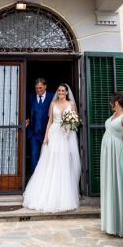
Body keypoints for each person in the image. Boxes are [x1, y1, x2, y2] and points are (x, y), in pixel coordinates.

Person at [23, 83, 81, 212]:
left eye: (63, 91)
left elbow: (75, 120)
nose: (60, 92)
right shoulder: (53, 104)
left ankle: (63, 194)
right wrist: (46, 137)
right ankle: (47, 192)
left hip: (66, 136)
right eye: (59, 90)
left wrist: (69, 128)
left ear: (66, 92)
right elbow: (50, 121)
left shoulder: (71, 104)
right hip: (54, 133)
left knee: (64, 162)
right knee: (50, 161)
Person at [100, 92, 123, 237]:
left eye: (111, 101)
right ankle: (111, 223)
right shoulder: (113, 116)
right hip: (108, 154)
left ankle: (121, 224)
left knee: (118, 182)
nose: (110, 103)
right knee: (109, 183)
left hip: (117, 151)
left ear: (117, 102)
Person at [26, 78, 54, 174]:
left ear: (45, 86)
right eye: (37, 88)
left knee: (47, 157)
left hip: (48, 133)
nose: (38, 90)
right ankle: (34, 179)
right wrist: (26, 120)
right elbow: (25, 110)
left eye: (40, 88)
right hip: (34, 133)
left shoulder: (52, 96)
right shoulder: (30, 97)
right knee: (34, 157)